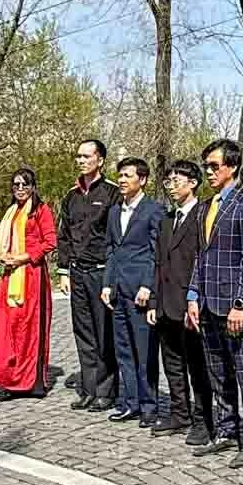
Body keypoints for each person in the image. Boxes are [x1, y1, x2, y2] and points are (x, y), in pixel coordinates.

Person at [186, 139, 243, 459]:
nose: (209, 172)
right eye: (206, 166)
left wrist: (241, 303)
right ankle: (225, 429)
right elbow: (200, 256)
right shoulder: (206, 207)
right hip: (207, 303)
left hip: (233, 306)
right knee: (217, 371)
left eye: (214, 166)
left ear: (232, 167)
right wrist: (193, 295)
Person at [0, 167, 57, 400]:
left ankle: (31, 382)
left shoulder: (40, 210)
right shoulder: (12, 211)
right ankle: (9, 377)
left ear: (33, 186)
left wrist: (24, 256)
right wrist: (9, 258)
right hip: (11, 275)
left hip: (32, 277)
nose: (20, 189)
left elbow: (50, 242)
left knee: (30, 330)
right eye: (16, 185)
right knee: (8, 328)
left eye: (25, 184)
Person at [99, 157, 167, 424]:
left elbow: (155, 252)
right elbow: (112, 250)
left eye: (128, 175)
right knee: (123, 350)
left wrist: (148, 285)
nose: (122, 180)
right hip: (118, 291)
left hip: (140, 290)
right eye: (120, 175)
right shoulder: (115, 211)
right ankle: (130, 402)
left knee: (145, 352)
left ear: (143, 180)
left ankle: (150, 406)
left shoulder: (154, 210)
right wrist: (107, 283)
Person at [152, 160, 215, 440]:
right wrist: (155, 301)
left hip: (191, 304)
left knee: (198, 367)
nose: (172, 186)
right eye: (168, 181)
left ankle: (204, 420)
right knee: (173, 363)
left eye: (177, 181)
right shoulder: (167, 219)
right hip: (166, 303)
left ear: (193, 183)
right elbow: (158, 262)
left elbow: (204, 260)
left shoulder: (202, 216)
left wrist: (196, 298)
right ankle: (179, 413)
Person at [59, 139, 121, 411]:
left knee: (104, 332)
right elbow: (64, 237)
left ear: (100, 160)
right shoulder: (71, 196)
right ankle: (89, 388)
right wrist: (63, 271)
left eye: (87, 156)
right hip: (77, 273)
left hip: (100, 272)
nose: (81, 160)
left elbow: (117, 237)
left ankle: (106, 391)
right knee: (83, 332)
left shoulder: (112, 194)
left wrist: (111, 275)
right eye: (78, 156)